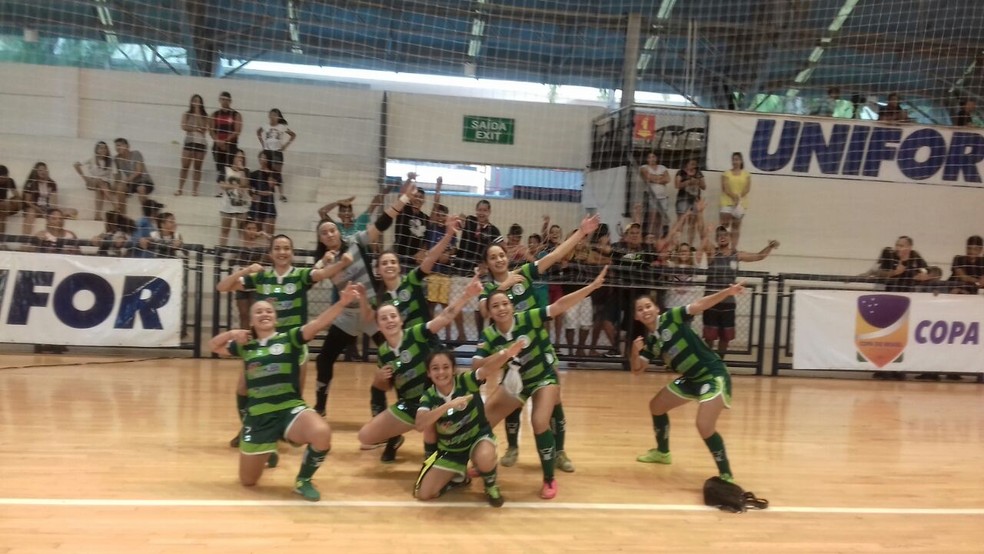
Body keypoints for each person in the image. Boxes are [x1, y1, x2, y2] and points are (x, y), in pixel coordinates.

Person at [209, 283, 361, 502]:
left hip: (290, 409)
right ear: (251, 321)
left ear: (276, 318)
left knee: (321, 433)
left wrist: (342, 303)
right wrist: (233, 333)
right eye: (258, 312)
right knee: (248, 481)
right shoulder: (246, 345)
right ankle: (269, 446)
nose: (264, 314)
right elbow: (213, 346)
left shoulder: (289, 338)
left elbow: (318, 324)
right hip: (259, 417)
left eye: (268, 311)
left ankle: (303, 480)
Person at [478, 214, 600, 472]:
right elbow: (484, 312)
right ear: (487, 264)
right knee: (512, 397)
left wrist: (581, 233)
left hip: (540, 348)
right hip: (512, 353)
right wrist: (504, 286)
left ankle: (560, 451)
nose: (499, 259)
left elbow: (554, 256)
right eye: (493, 257)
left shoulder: (524, 273)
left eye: (501, 255)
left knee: (553, 399)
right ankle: (512, 447)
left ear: (507, 257)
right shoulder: (487, 291)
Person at [474, 266, 608, 500]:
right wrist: (503, 355)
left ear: (512, 306)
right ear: (490, 312)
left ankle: (549, 479)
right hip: (517, 383)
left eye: (505, 303)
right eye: (495, 306)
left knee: (538, 421)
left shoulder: (527, 317)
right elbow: (476, 366)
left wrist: (591, 287)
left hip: (543, 376)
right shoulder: (490, 336)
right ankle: (482, 463)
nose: (501, 308)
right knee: (481, 422)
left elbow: (559, 306)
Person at [217, 234, 353, 450]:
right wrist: (246, 270)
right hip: (262, 346)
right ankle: (248, 428)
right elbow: (222, 287)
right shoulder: (261, 277)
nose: (282, 252)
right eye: (278, 248)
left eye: (286, 248)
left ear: (292, 252)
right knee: (243, 388)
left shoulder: (300, 275)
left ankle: (284, 431)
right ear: (270, 254)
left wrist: (342, 263)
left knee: (292, 394)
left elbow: (323, 273)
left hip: (292, 346)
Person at [312, 185, 421, 417]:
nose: (330, 234)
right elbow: (314, 276)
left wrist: (403, 199)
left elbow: (381, 223)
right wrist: (324, 262)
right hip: (347, 316)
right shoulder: (324, 260)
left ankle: (403, 405)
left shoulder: (355, 241)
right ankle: (320, 407)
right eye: (324, 233)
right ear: (320, 238)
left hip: (372, 312)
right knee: (324, 359)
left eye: (332, 230)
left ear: (338, 231)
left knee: (394, 357)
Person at [628, 283, 748, 485]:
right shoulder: (651, 342)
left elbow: (700, 304)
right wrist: (634, 351)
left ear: (656, 308)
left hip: (712, 375)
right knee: (656, 406)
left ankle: (726, 474)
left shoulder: (671, 317)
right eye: (640, 309)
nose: (645, 311)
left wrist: (727, 292)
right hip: (691, 379)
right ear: (636, 317)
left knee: (704, 425)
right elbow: (637, 370)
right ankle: (663, 453)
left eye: (648, 306)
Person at [357, 273, 482, 463]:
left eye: (393, 316)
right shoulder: (383, 352)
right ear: (378, 326)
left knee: (432, 424)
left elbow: (445, 316)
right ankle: (396, 437)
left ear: (400, 320)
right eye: (384, 318)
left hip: (434, 400)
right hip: (408, 404)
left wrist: (466, 295)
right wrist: (380, 378)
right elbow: (386, 387)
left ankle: (435, 452)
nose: (389, 320)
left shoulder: (415, 333)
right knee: (365, 436)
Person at [362, 215, 462, 448]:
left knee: (436, 393)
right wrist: (362, 298)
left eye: (392, 262)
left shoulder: (412, 281)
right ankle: (390, 436)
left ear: (399, 266)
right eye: (384, 263)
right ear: (379, 270)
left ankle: (448, 438)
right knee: (382, 386)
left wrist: (448, 234)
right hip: (403, 352)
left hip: (426, 346)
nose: (389, 265)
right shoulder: (381, 300)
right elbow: (367, 319)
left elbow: (431, 258)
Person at [414, 346, 523, 507]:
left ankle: (490, 485)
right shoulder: (429, 396)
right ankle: (458, 478)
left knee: (485, 456)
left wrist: (506, 354)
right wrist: (448, 405)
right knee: (425, 494)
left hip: (476, 439)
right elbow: (419, 424)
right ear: (429, 373)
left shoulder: (466, 380)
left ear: (453, 369)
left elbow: (487, 369)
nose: (441, 372)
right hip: (451, 451)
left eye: (446, 367)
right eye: (435, 368)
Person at [700, 225, 778, 358]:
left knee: (725, 336)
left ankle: (720, 362)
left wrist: (770, 246)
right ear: (716, 239)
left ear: (730, 238)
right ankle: (708, 363)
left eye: (725, 235)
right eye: (719, 235)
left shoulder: (736, 255)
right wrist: (703, 221)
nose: (722, 237)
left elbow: (759, 256)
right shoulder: (712, 252)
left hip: (728, 301)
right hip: (711, 300)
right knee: (709, 335)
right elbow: (703, 236)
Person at [22, 162, 77, 236]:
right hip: (34, 208)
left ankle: (52, 217)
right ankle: (25, 237)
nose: (43, 172)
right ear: (36, 171)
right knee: (31, 212)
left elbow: (54, 202)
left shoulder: (52, 183)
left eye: (44, 170)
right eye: (40, 170)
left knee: (73, 211)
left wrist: (53, 212)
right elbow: (27, 201)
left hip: (47, 209)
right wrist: (39, 210)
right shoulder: (30, 183)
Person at [256, 108, 296, 201]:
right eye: (271, 114)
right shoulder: (265, 126)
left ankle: (281, 195)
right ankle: (266, 191)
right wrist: (262, 143)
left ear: (278, 117)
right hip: (267, 151)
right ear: (269, 115)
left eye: (275, 115)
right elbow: (258, 132)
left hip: (277, 152)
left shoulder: (282, 127)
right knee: (266, 171)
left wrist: (285, 146)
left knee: (277, 173)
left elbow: (293, 135)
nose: (273, 117)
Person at [73, 141, 116, 220]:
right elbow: (76, 165)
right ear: (97, 150)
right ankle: (115, 204)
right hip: (92, 181)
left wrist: (114, 185)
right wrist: (85, 178)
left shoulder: (110, 160)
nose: (103, 150)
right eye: (101, 148)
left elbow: (115, 173)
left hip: (105, 183)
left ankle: (97, 215)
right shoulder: (92, 158)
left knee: (100, 189)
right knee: (99, 181)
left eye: (105, 148)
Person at [210, 91, 242, 195]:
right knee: (220, 168)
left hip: (231, 145)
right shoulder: (215, 114)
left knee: (230, 167)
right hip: (217, 145)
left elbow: (237, 131)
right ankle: (221, 190)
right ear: (219, 100)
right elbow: (211, 130)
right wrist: (218, 141)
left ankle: (231, 190)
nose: (225, 101)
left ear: (230, 101)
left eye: (227, 100)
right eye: (223, 99)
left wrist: (226, 141)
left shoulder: (236, 115)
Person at [318, 193, 385, 242]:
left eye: (349, 211)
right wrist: (338, 203)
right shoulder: (336, 227)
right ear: (339, 215)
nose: (346, 213)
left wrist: (384, 192)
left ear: (352, 214)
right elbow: (321, 212)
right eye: (343, 211)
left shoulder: (359, 222)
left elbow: (374, 204)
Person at [218, 149, 252, 247]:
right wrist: (235, 186)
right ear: (233, 157)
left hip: (242, 205)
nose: (240, 159)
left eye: (242, 157)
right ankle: (221, 250)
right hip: (227, 204)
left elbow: (245, 184)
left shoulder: (246, 171)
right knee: (225, 230)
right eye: (238, 157)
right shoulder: (225, 169)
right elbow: (222, 185)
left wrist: (241, 170)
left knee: (242, 231)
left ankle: (242, 251)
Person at [178, 94, 209, 196]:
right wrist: (195, 129)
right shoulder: (186, 114)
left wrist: (197, 113)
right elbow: (184, 126)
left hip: (201, 143)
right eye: (195, 101)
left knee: (197, 167)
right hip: (189, 142)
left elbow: (204, 128)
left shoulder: (205, 116)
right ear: (191, 102)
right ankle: (180, 189)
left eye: (198, 101)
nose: (196, 103)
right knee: (185, 166)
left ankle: (195, 190)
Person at [114, 138, 155, 210]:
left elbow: (139, 171)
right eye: (116, 146)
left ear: (127, 146)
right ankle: (122, 215)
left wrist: (125, 181)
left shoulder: (136, 153)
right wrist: (117, 185)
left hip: (145, 181)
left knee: (140, 188)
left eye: (120, 145)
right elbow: (118, 175)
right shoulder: (117, 158)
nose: (118, 148)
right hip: (132, 184)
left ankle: (146, 214)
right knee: (120, 188)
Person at [719, 152, 750, 246]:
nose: (735, 162)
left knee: (736, 227)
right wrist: (733, 197)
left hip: (740, 204)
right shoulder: (726, 173)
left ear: (741, 161)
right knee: (724, 226)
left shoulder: (746, 174)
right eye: (733, 159)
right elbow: (725, 188)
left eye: (737, 159)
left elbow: (747, 188)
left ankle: (733, 249)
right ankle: (723, 248)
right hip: (726, 202)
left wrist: (738, 198)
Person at [675, 158, 705, 246]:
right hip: (683, 199)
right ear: (687, 164)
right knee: (680, 222)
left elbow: (704, 186)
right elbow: (677, 185)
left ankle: (690, 245)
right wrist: (688, 182)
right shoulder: (681, 172)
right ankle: (677, 245)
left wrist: (698, 182)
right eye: (692, 164)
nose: (694, 166)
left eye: (695, 164)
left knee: (692, 224)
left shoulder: (699, 173)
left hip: (695, 200)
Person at [640, 152, 671, 239]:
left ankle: (657, 239)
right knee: (652, 219)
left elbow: (667, 179)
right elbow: (648, 177)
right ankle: (650, 239)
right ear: (647, 159)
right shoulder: (644, 167)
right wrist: (660, 177)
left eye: (653, 157)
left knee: (660, 220)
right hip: (651, 197)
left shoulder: (662, 167)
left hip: (663, 197)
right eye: (649, 157)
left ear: (657, 158)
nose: (652, 159)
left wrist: (654, 179)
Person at [248, 151, 278, 235]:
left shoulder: (273, 173)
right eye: (261, 157)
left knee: (269, 233)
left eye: (265, 157)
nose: (262, 159)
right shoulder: (254, 174)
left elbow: (271, 188)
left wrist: (257, 192)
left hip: (269, 203)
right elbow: (249, 189)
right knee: (257, 232)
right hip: (257, 204)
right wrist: (253, 195)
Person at [0, 165, 22, 235]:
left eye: (5, 178)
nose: (3, 180)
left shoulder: (9, 181)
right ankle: (1, 237)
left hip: (5, 206)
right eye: (1, 178)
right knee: (2, 210)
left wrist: (9, 201)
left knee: (17, 201)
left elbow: (17, 196)